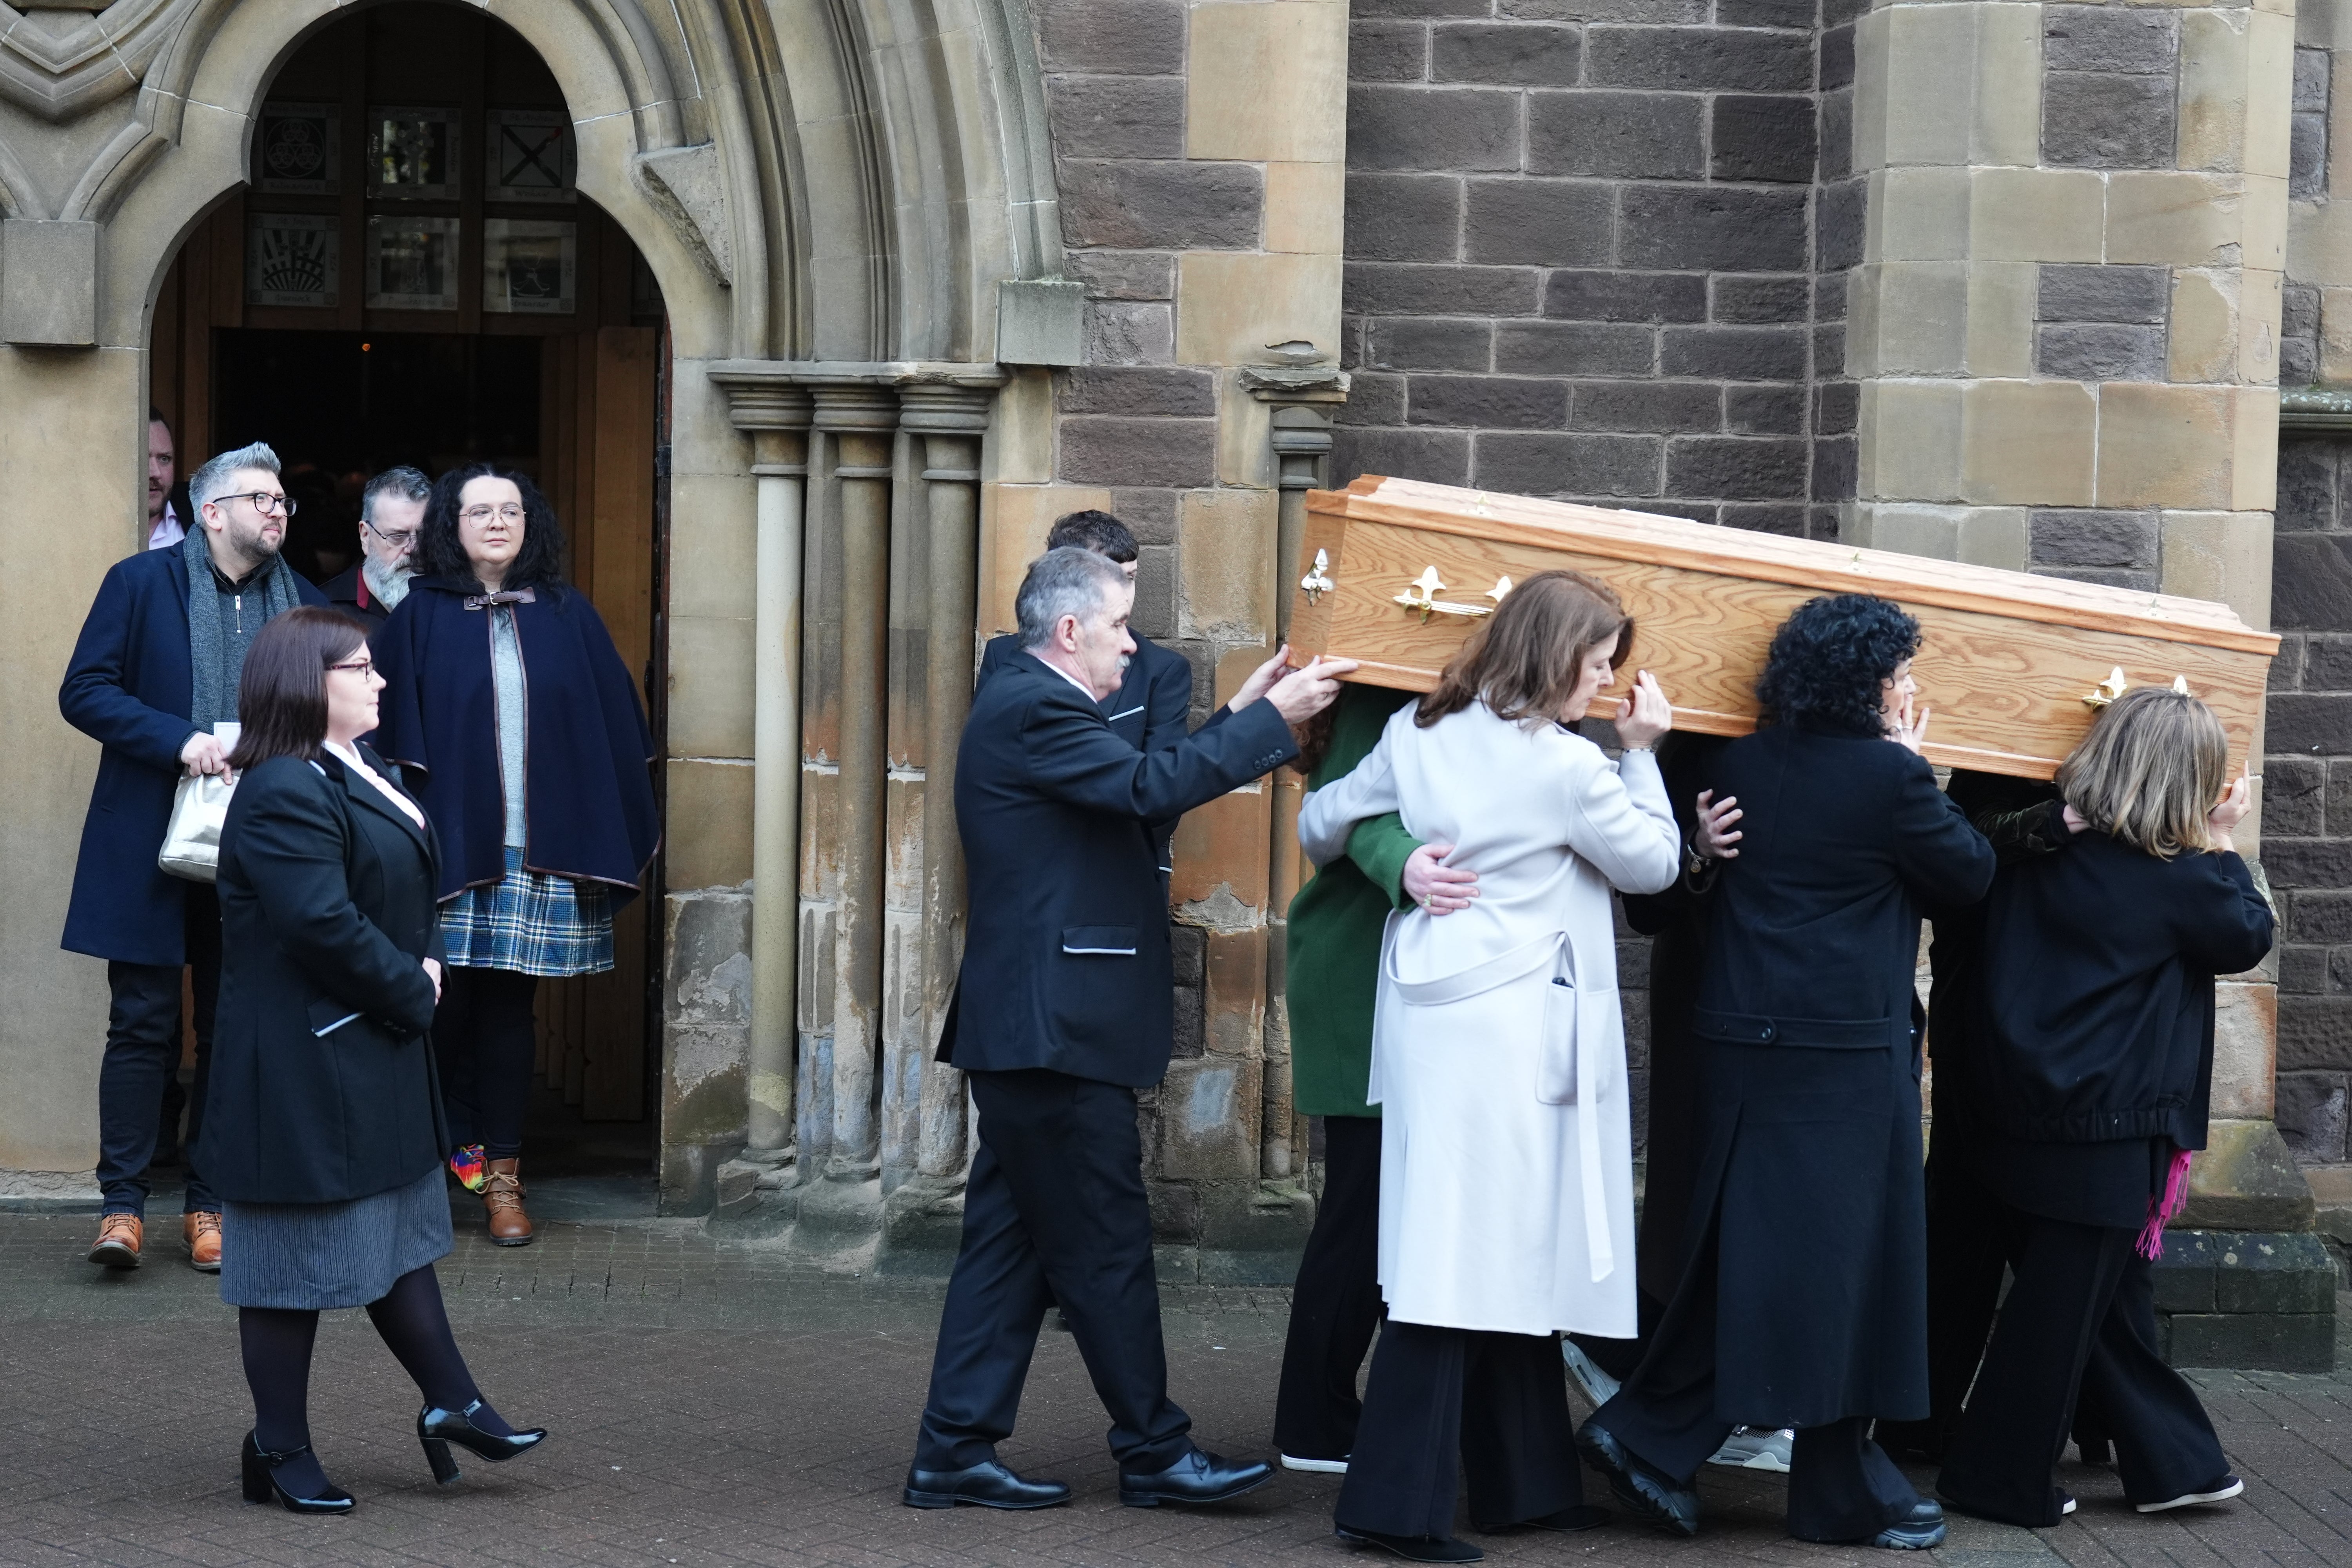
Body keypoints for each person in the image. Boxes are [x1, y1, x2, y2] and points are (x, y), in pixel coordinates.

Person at [905, 547, 1349, 1513]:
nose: (1130, 647)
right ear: (1071, 631)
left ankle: (953, 1449)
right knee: (1105, 1245)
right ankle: (1155, 1450)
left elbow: (1139, 776)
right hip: (1051, 1033)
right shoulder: (1033, 705)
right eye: (1119, 629)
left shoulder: (1033, 700)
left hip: (1034, 1033)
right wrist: (1276, 722)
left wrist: (1243, 712)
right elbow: (1150, 790)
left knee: (1010, 1248)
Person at [1577, 593, 1994, 1551]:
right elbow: (1968, 877)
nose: (1907, 691)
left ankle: (1690, 1441)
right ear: (1867, 687)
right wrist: (1918, 770)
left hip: (1739, 1043)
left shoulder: (1735, 760)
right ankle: (1744, 1459)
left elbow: (1664, 906)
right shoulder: (1890, 780)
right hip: (1839, 1057)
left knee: (1764, 1260)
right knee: (1842, 1266)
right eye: (1895, 676)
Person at [1298, 570, 1683, 1564]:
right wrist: (1643, 758)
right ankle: (1388, 1506)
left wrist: (1409, 864)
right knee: (1459, 1261)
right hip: (1511, 1038)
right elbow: (1655, 864)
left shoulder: (1417, 733)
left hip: (1435, 1024)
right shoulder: (1569, 767)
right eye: (1597, 668)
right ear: (1556, 660)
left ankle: (1525, 1485)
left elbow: (1318, 822)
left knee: (1497, 1244)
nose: (1604, 688)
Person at [201, 608, 546, 1514]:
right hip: (301, 1070)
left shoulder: (360, 770)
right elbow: (319, 923)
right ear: (308, 684)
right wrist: (413, 986)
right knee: (286, 1263)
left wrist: (418, 966)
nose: (379, 680)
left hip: (369, 1048)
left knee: (394, 1234)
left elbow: (405, 880)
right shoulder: (281, 786)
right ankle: (277, 1449)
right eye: (360, 668)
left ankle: (454, 1401)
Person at [1934, 688, 2270, 1526]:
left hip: (2021, 1110)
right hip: (2116, 1126)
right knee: (2057, 1316)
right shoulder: (2185, 877)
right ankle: (1996, 1477)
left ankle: (2174, 1461)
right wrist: (2226, 841)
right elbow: (2247, 934)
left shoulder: (2029, 852)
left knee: (2103, 1301)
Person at [371, 463, 659, 1247]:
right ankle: (418, 1173)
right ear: (451, 527)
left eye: (512, 509)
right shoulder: (418, 618)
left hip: (536, 853)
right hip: (447, 851)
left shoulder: (568, 615)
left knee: (506, 1012)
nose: (498, 522)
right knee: (433, 1009)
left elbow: (615, 729)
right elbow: (379, 733)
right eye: (480, 510)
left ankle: (502, 1178)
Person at [61, 441, 327, 1272]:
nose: (278, 509)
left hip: (257, 846)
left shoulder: (305, 607)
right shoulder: (139, 585)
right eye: (260, 498)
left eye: (283, 499)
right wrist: (181, 740)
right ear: (212, 512)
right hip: (147, 833)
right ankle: (122, 1208)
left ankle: (208, 1205)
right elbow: (86, 691)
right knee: (141, 1023)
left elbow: (336, 711)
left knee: (229, 1027)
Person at [1271, 684, 1478, 1476]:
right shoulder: (1388, 693)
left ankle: (1340, 1411)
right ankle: (1315, 1419)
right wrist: (1407, 865)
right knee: (1361, 1210)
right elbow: (1346, 808)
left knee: (1377, 1207)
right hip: (1364, 972)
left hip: (1400, 975)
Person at [976, 510, 1193, 884]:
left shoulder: (1161, 670)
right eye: (1112, 579)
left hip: (1123, 879)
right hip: (1029, 878)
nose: (1126, 593)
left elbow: (1164, 794)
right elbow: (994, 774)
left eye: (1131, 578)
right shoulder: (1007, 659)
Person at [322, 466, 430, 634]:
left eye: (424, 536)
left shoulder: (450, 606)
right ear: (365, 536)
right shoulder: (322, 613)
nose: (414, 549)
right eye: (398, 537)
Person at [145, 409, 191, 551]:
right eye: (143, 458)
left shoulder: (200, 514)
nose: (155, 473)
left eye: (164, 459)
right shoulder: (90, 521)